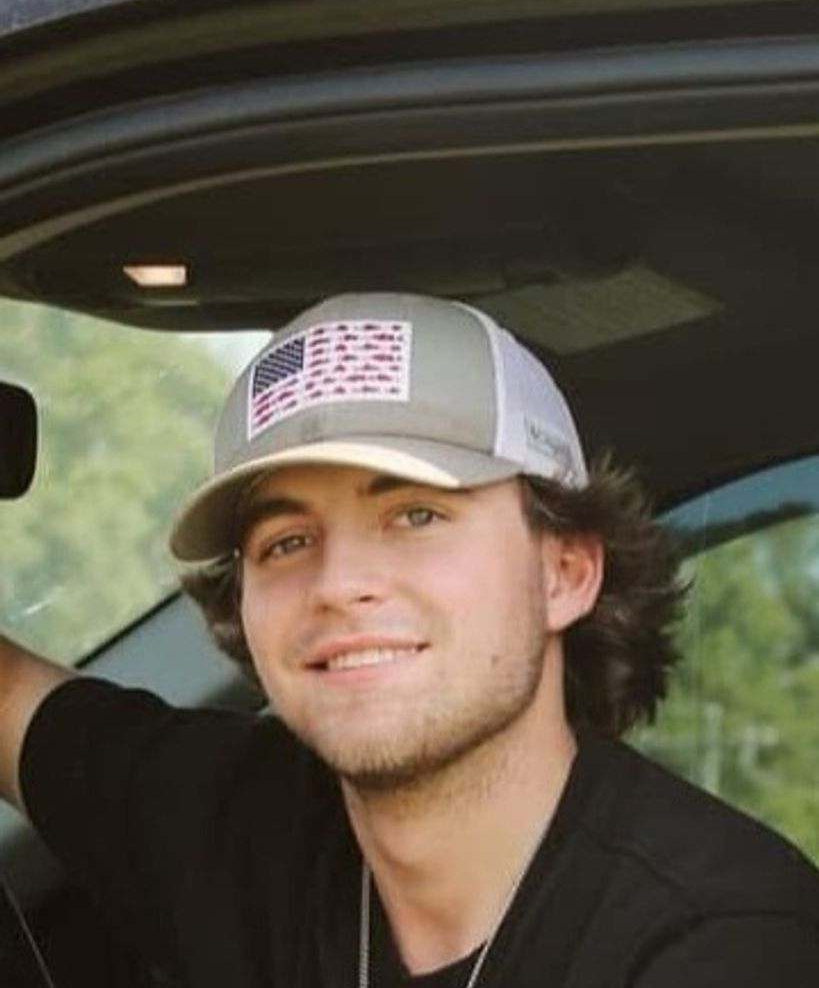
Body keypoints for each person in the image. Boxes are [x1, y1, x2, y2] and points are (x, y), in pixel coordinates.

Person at [1, 291, 818, 988]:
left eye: (416, 515)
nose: (337, 582)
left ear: (563, 572)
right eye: (287, 541)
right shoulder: (248, 825)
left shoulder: (723, 940)